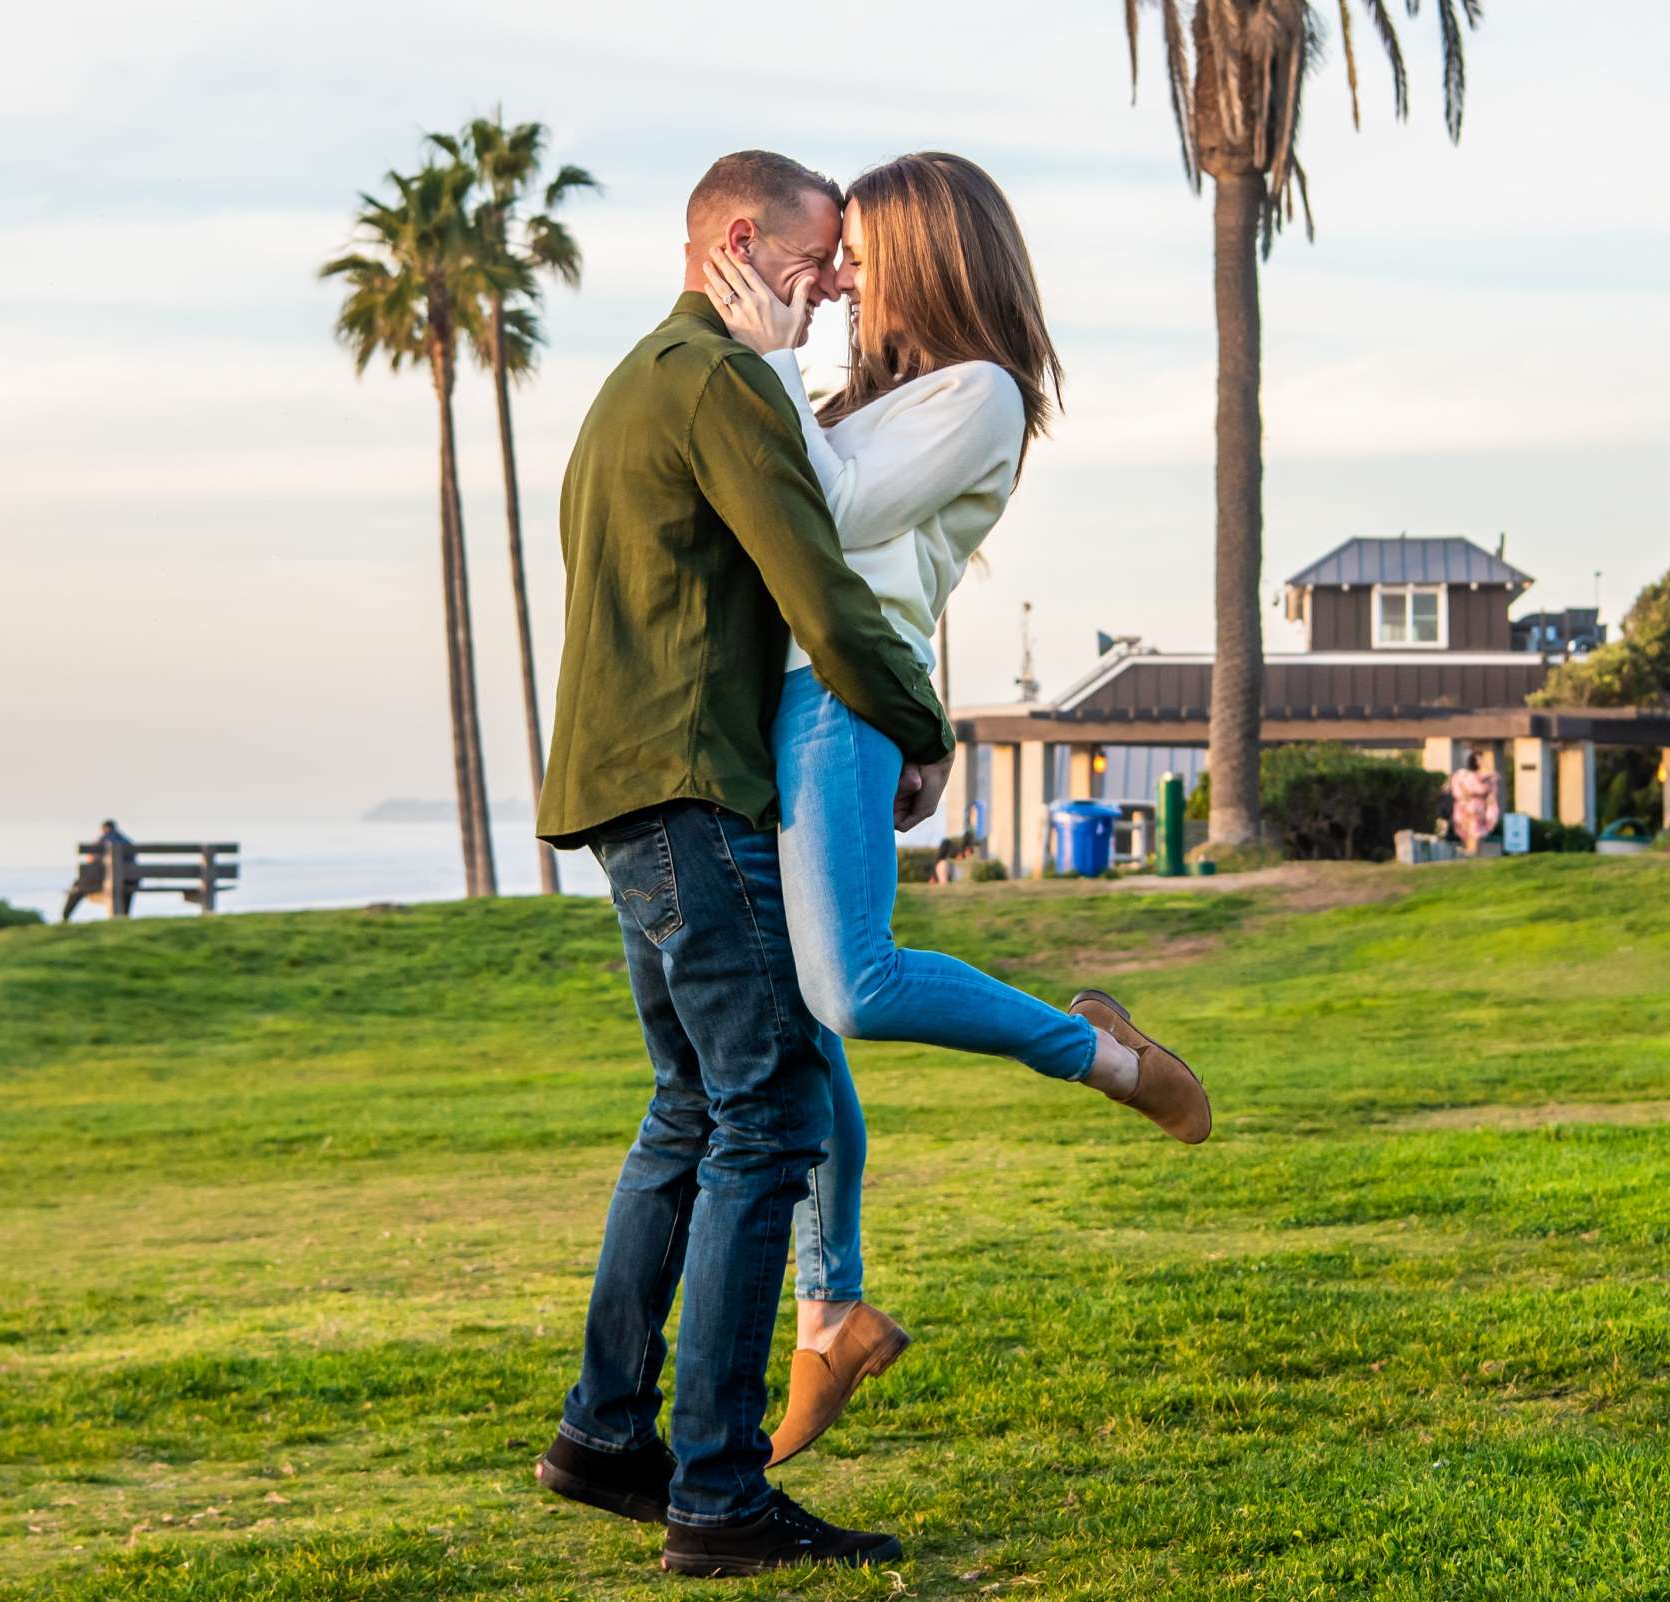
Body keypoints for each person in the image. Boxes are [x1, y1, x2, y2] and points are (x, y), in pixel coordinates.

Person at [698, 153, 1210, 1470]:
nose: (842, 269)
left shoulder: (980, 393)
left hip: (833, 704)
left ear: (931, 249)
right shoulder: (874, 392)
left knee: (853, 987)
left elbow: (839, 508)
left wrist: (758, 366)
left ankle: (1104, 1054)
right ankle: (831, 1310)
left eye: (862, 247)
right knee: (800, 1020)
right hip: (787, 699)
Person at [530, 151, 950, 1578]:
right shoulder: (722, 382)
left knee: (690, 1111)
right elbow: (817, 585)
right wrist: (922, 727)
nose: (839, 282)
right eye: (821, 256)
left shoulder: (636, 378)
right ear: (737, 237)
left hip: (616, 790)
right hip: (694, 789)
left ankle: (605, 1434)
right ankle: (717, 1492)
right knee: (767, 1109)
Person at [60, 819, 131, 922]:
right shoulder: (126, 841)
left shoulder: (101, 841)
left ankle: (65, 917)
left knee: (77, 887)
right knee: (125, 887)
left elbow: (91, 860)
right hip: (128, 880)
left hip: (101, 879)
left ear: (104, 829)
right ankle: (124, 916)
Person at [1448, 752, 1500, 857]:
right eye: (1481, 759)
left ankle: (1469, 856)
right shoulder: (1470, 776)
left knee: (1471, 834)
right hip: (1473, 808)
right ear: (1477, 761)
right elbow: (1492, 780)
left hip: (1464, 807)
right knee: (1473, 833)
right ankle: (1471, 856)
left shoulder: (1462, 775)